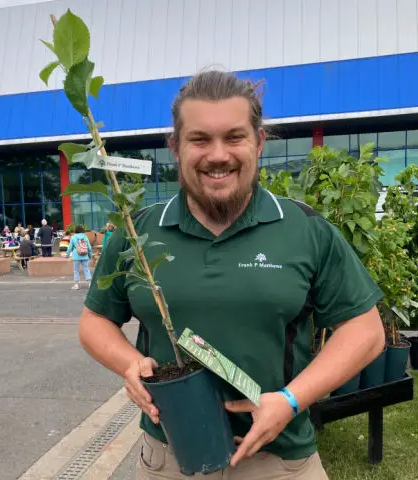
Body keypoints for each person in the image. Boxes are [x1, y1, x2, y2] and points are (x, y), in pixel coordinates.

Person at [78, 71, 385, 479]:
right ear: (176, 147)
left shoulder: (305, 230)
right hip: (170, 458)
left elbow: (366, 331)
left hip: (280, 461)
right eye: (200, 139)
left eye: (234, 137)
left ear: (258, 143)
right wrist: (129, 363)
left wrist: (292, 400)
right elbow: (94, 320)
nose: (218, 154)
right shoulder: (138, 234)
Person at [66, 225, 92, 290]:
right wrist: (90, 255)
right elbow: (89, 247)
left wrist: (67, 255)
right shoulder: (85, 237)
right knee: (86, 269)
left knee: (76, 270)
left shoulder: (73, 237)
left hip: (76, 256)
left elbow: (69, 248)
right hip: (85, 256)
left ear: (76, 230)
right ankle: (90, 284)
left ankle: (76, 285)